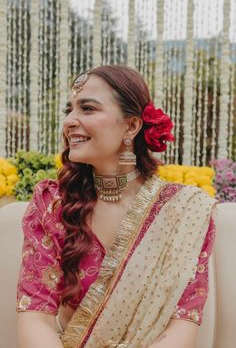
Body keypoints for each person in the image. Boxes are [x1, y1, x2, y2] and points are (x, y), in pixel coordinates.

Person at [16, 65, 217, 348]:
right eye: (69, 110)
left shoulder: (182, 211)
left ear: (132, 126)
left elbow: (181, 326)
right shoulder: (53, 205)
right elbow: (35, 317)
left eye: (87, 109)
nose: (70, 121)